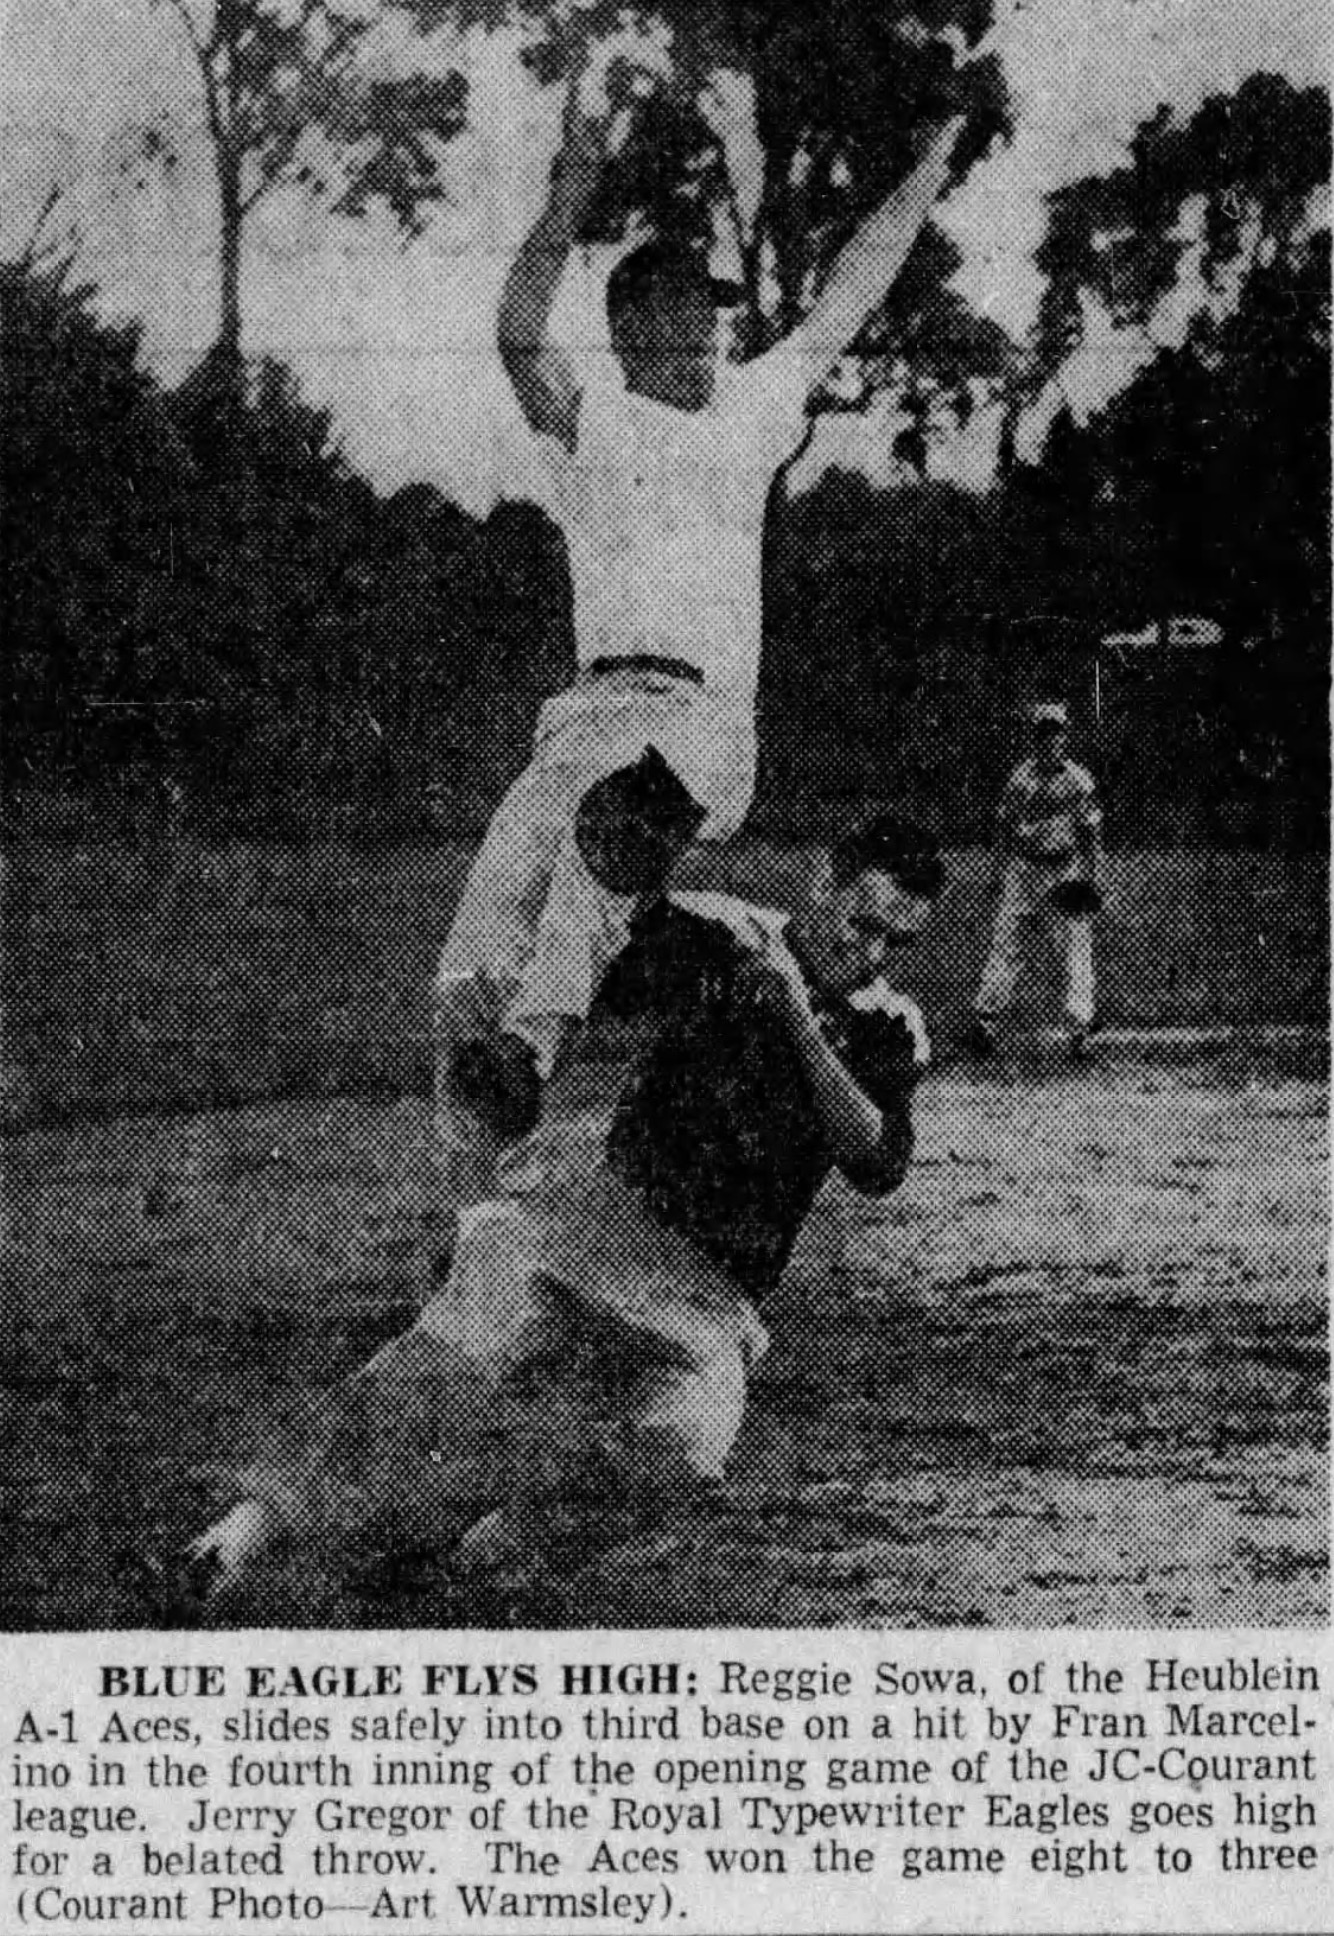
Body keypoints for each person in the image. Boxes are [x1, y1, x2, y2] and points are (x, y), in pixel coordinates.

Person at [430, 61, 966, 1218]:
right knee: (463, 978)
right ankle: (478, 1225)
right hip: (580, 725)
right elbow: (519, 336)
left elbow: (848, 293)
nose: (716, 333)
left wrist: (922, 175)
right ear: (638, 324)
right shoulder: (595, 417)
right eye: (693, 314)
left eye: (717, 316)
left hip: (699, 726)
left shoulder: (755, 407)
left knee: (619, 823)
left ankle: (534, 1042)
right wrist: (568, 190)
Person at [175, 815, 942, 1607]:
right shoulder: (726, 933)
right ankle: (231, 1542)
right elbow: (584, 949)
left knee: (685, 1449)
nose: (874, 952)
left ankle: (471, 1558)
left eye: (896, 940)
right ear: (824, 883)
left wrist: (793, 1017)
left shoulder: (888, 1023)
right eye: (863, 924)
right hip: (597, 1231)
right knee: (444, 1360)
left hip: (710, 1300)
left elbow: (875, 1161)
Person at [970, 701, 1105, 1061]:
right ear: (1034, 738)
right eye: (1043, 733)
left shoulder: (1079, 780)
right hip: (1024, 871)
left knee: (1072, 951)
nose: (1049, 740)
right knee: (1005, 943)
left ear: (1065, 736)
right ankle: (986, 1022)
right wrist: (997, 872)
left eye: (1055, 732)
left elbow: (1091, 833)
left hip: (1065, 872)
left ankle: (1080, 1030)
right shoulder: (1020, 779)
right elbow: (1002, 828)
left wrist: (1096, 877)